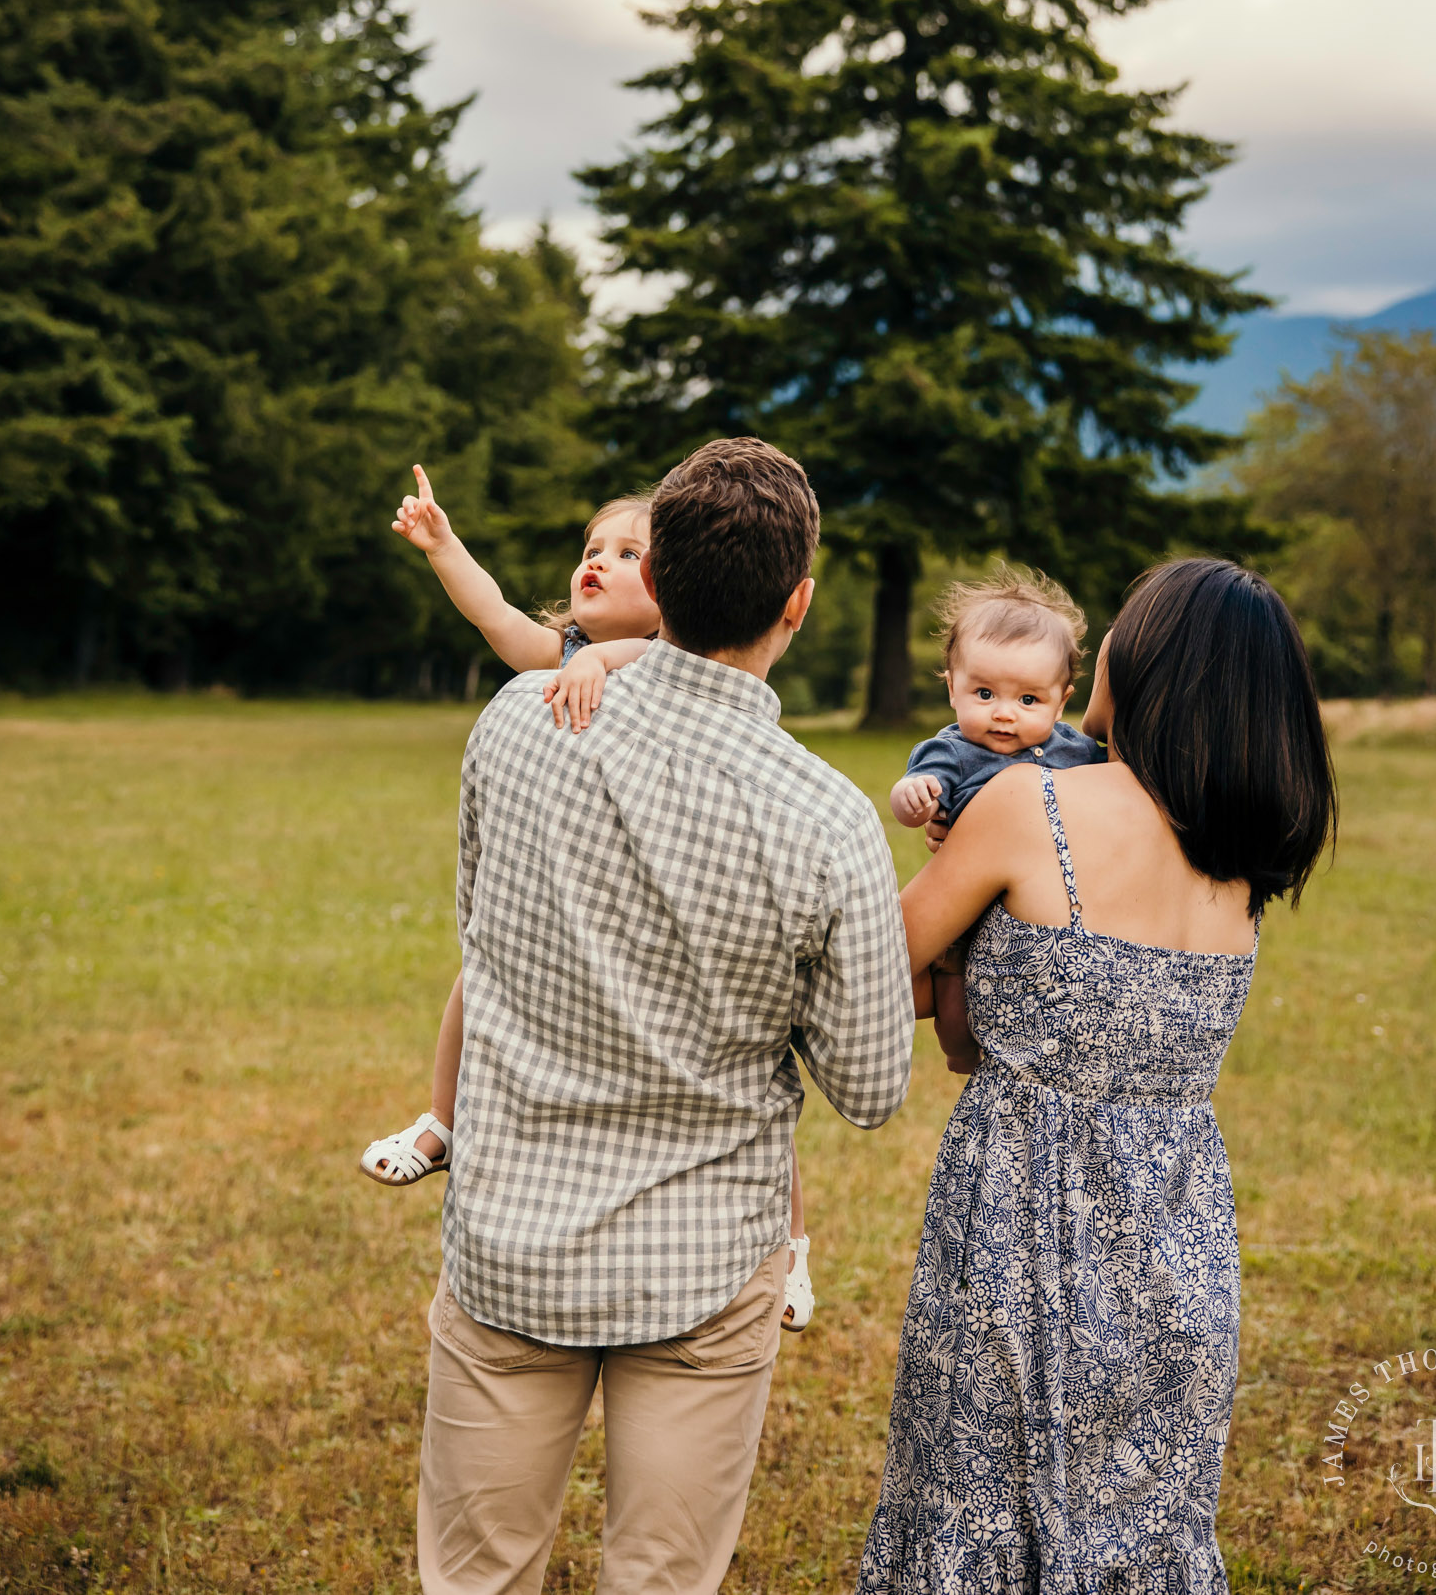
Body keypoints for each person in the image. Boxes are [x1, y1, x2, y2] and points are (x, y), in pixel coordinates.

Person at [418, 436, 915, 1595]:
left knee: (475, 1574)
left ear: (666, 576)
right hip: (701, 1259)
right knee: (660, 1579)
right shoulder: (827, 818)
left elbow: (477, 935)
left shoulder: (516, 720)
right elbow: (871, 1087)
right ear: (796, 603)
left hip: (509, 1237)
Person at [860, 557, 1337, 1595]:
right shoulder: (1240, 851)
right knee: (1139, 1535)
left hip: (1020, 1228)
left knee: (977, 1511)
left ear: (1142, 659)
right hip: (1180, 1247)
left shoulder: (1035, 803)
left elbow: (871, 971)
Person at [362, 467, 821, 1330]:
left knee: (756, 1073)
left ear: (675, 590)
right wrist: (443, 545)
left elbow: (643, 656)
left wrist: (607, 658)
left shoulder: (659, 662)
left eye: (627, 554)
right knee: (480, 968)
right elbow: (496, 617)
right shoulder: (562, 657)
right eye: (591, 550)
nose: (598, 564)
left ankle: (789, 1246)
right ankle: (442, 1120)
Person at [887, 569, 1104, 1072]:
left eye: (1028, 700)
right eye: (984, 694)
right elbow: (907, 795)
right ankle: (965, 1057)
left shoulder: (1075, 749)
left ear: (1062, 700)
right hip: (965, 910)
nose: (1004, 713)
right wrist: (913, 800)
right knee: (957, 1018)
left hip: (1043, 912)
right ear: (952, 690)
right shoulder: (954, 751)